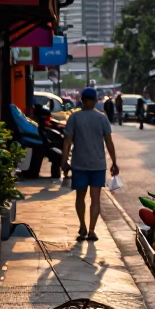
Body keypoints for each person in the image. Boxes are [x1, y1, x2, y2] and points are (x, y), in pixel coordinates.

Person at [61, 86, 119, 243]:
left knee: (80, 197)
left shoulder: (74, 118)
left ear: (82, 100)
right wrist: (114, 162)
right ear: (93, 101)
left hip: (79, 164)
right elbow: (109, 142)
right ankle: (92, 230)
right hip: (98, 165)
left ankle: (83, 226)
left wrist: (64, 160)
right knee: (95, 199)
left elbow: (67, 142)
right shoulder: (102, 118)